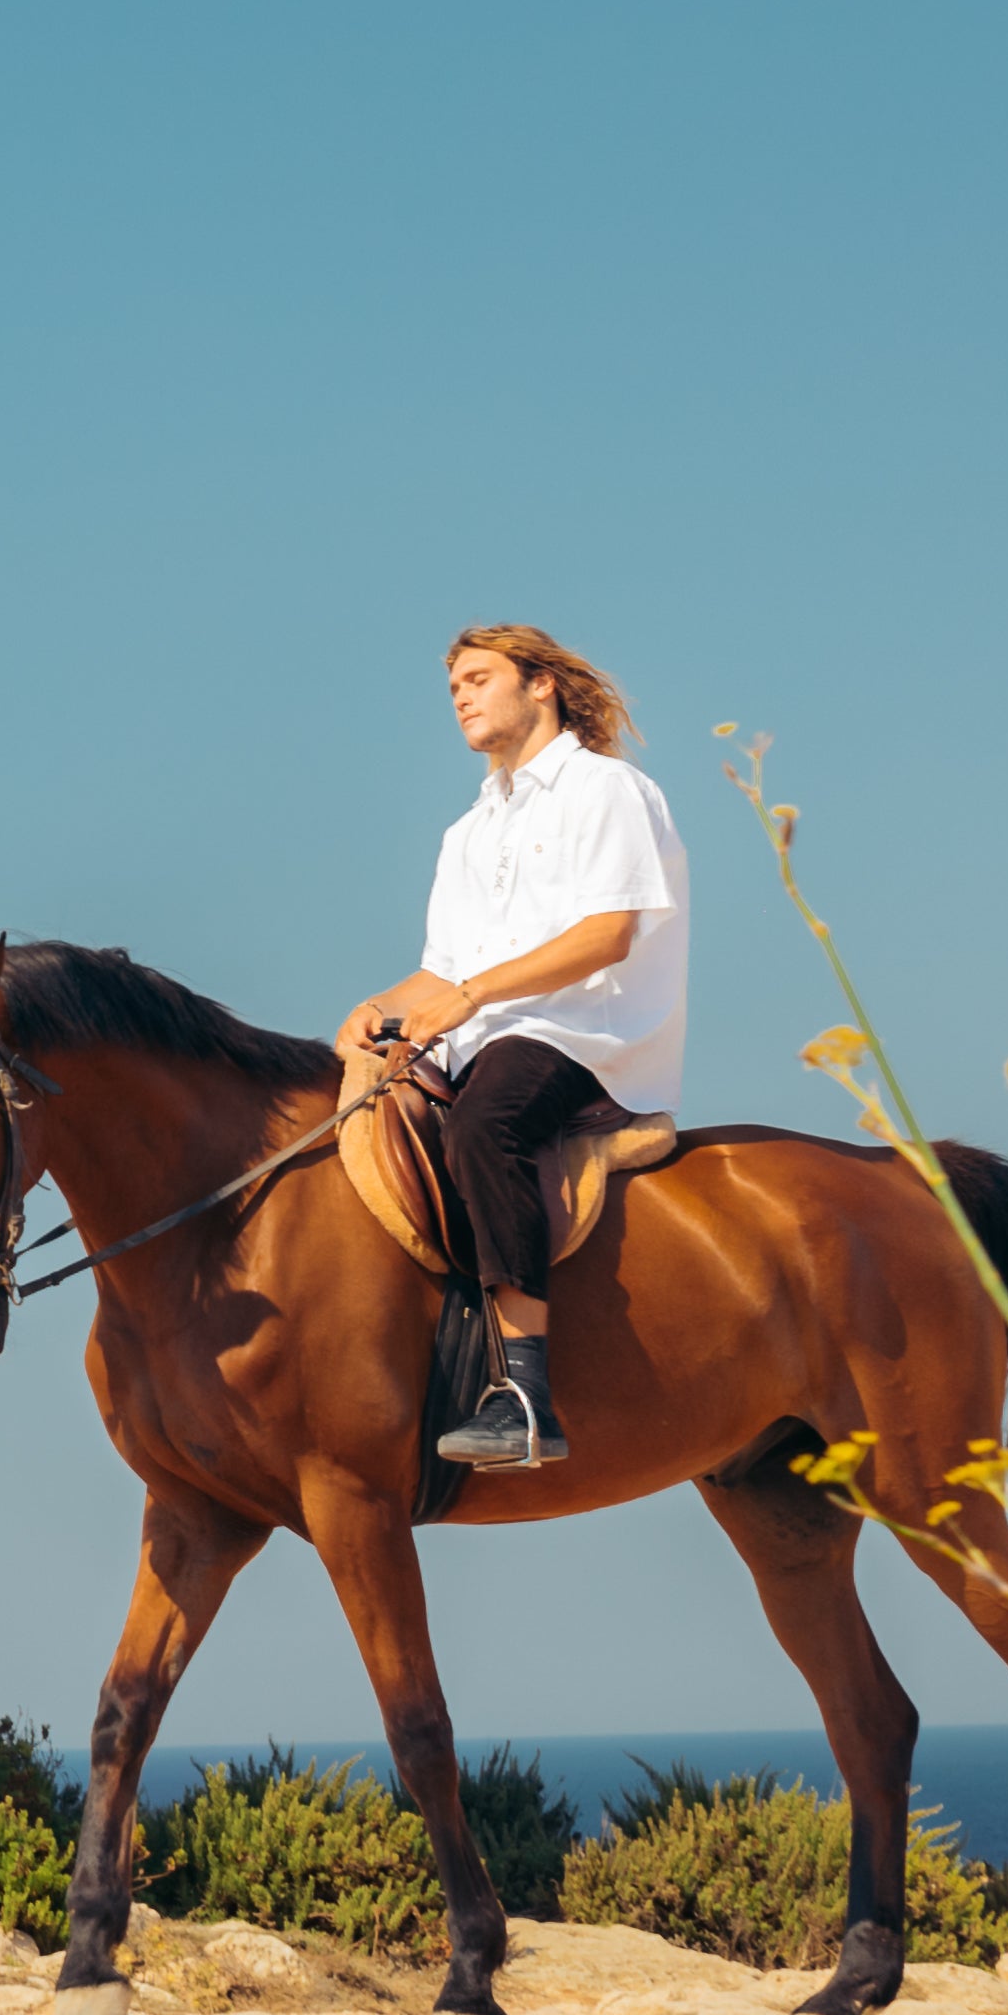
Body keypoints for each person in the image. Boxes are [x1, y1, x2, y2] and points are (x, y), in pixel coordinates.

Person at [338, 621, 689, 1475]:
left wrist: (471, 996)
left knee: (484, 1125)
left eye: (480, 677)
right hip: (484, 1032)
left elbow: (609, 934)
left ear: (542, 686)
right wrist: (374, 1010)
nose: (460, 693)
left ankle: (523, 1393)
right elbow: (441, 973)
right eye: (453, 684)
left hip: (585, 1035)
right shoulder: (468, 831)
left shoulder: (605, 788)